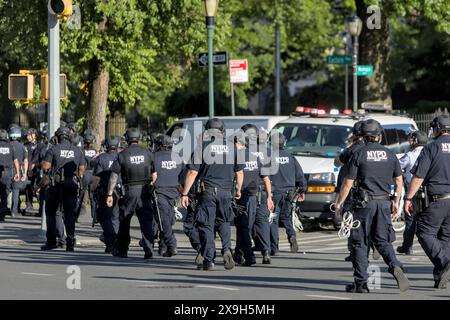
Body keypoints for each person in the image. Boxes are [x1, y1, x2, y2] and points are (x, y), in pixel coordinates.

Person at [335, 119, 409, 293]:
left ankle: (361, 284)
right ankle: (395, 266)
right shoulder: (390, 154)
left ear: (364, 136)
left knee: (359, 242)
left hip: (363, 204)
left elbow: (347, 183)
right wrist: (396, 202)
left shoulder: (358, 154)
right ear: (379, 135)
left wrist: (339, 203)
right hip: (384, 202)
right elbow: (399, 181)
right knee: (383, 241)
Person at [181, 118, 244, 271]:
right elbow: (240, 172)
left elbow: (192, 172)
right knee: (224, 222)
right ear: (222, 131)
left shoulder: (201, 147)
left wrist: (185, 193)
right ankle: (227, 249)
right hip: (226, 192)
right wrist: (238, 190)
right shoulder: (233, 148)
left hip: (208, 192)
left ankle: (209, 260)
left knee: (206, 224)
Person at [405, 115, 450, 289]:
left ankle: (445, 262)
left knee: (424, 232)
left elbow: (418, 176)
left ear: (438, 128)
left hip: (437, 199)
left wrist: (408, 198)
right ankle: (440, 279)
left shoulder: (432, 148)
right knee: (445, 238)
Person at [106, 128, 154, 259]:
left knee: (125, 221)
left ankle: (123, 250)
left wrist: (110, 194)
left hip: (129, 192)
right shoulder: (148, 153)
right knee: (146, 222)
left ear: (126, 139)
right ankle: (149, 249)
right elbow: (154, 174)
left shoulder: (122, 154)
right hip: (145, 191)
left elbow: (114, 176)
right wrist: (151, 189)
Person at [234, 124, 274, 266]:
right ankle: (266, 252)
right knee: (261, 223)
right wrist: (270, 196)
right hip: (261, 190)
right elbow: (267, 176)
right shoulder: (263, 151)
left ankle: (241, 252)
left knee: (243, 224)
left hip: (246, 192)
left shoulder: (240, 153)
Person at [40, 126, 85, 251]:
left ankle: (51, 241)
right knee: (69, 214)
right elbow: (81, 169)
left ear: (58, 137)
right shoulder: (77, 150)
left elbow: (46, 167)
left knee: (51, 212)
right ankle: (70, 242)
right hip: (71, 183)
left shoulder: (53, 148)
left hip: (56, 184)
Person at [268, 132, 307, 256]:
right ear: (284, 143)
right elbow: (300, 175)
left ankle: (274, 247)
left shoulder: (268, 157)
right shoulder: (291, 157)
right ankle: (292, 236)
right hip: (290, 193)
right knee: (287, 217)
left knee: (273, 219)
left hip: (275, 192)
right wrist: (302, 190)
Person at [334, 121, 366, 262]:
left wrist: (348, 145)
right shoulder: (374, 149)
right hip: (371, 191)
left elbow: (337, 162)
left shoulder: (352, 149)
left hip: (352, 191)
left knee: (351, 220)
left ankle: (354, 251)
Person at [150, 134, 184, 257]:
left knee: (163, 220)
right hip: (175, 193)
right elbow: (183, 175)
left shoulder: (154, 157)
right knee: (166, 220)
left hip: (160, 192)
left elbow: (152, 176)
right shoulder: (179, 157)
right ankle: (163, 246)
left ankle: (171, 244)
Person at [397, 130, 428, 255]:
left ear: (415, 140)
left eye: (411, 139)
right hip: (429, 190)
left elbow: (397, 167)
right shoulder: (430, 152)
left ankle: (407, 246)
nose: (409, 141)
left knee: (410, 219)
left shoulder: (410, 155)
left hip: (413, 191)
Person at [93, 136, 121, 253]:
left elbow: (96, 178)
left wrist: (93, 190)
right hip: (120, 191)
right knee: (115, 218)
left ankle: (111, 241)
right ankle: (116, 242)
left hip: (105, 191)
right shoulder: (121, 156)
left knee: (104, 217)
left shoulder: (101, 158)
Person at [0, 129, 20, 222]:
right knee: (5, 193)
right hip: (8, 172)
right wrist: (18, 173)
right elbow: (15, 161)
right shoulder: (11, 146)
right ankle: (2, 214)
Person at [8, 125, 28, 216]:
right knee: (16, 191)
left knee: (5, 191)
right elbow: (26, 161)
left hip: (7, 170)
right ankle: (14, 211)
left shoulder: (6, 145)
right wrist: (25, 173)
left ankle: (4, 209)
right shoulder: (22, 147)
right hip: (18, 170)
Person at [24, 128, 39, 213]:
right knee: (27, 187)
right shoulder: (25, 145)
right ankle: (28, 204)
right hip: (27, 169)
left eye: (29, 135)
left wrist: (33, 166)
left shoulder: (39, 144)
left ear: (34, 135)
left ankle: (41, 207)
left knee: (36, 186)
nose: (27, 137)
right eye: (27, 135)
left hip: (36, 169)